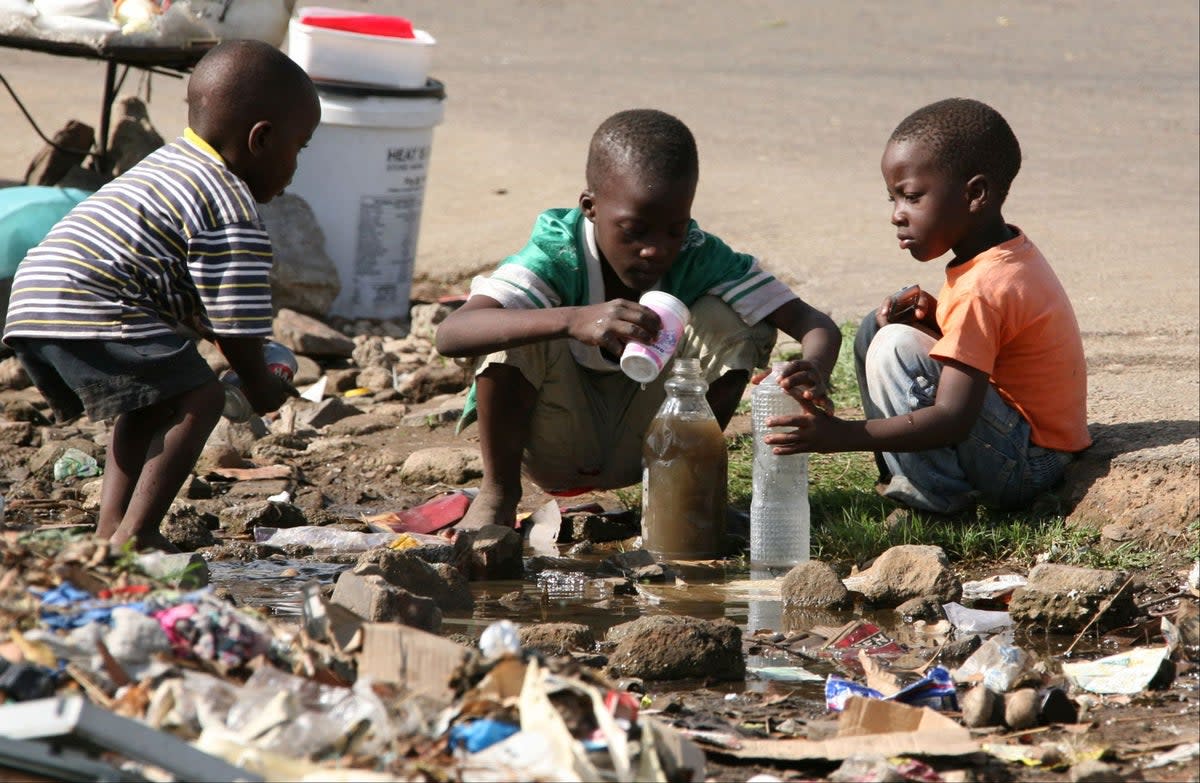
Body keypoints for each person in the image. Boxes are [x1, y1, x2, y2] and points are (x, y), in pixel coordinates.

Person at [436, 108, 841, 529]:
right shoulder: (558, 252)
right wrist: (573, 319)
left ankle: (682, 490)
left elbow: (814, 323)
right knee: (518, 323)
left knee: (734, 321)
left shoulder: (698, 254)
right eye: (634, 230)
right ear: (590, 208)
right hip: (551, 442)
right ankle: (498, 494)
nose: (655, 249)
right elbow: (452, 334)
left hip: (653, 443)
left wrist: (814, 369)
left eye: (673, 230)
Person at [2, 40, 321, 552]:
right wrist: (260, 384)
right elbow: (237, 323)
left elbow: (199, 299)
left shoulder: (168, 166)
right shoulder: (228, 203)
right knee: (202, 398)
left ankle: (111, 531)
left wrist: (230, 350)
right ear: (260, 140)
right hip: (92, 298)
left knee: (151, 403)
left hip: (37, 296)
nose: (297, 164)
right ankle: (141, 531)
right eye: (299, 147)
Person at [764, 98, 1090, 516]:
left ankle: (936, 501)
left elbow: (953, 417)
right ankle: (904, 476)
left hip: (1028, 465)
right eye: (893, 200)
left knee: (895, 345)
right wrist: (938, 318)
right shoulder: (1001, 252)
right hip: (1023, 443)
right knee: (875, 330)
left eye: (912, 197)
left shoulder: (983, 287)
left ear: (975, 194)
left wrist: (841, 435)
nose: (897, 216)